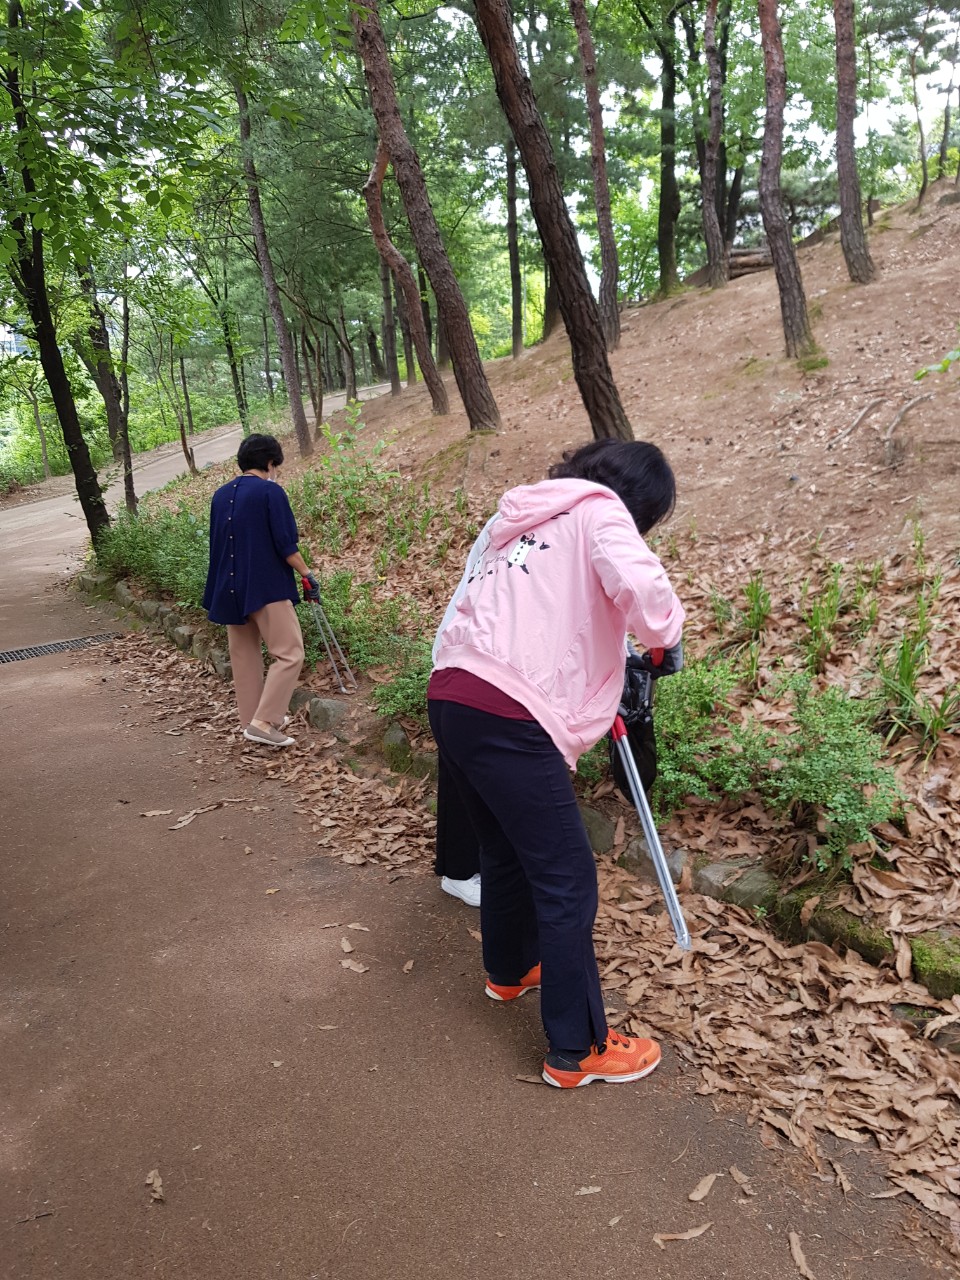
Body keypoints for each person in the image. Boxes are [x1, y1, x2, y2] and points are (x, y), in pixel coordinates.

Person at [429, 439, 685, 1088]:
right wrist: (665, 641)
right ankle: (579, 1048)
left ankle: (510, 969)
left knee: (503, 847)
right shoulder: (600, 511)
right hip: (509, 711)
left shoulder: (523, 517)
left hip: (452, 692)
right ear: (643, 502)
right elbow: (643, 588)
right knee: (567, 876)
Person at [202, 433, 320, 748]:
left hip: (228, 589)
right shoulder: (270, 492)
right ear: (270, 462)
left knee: (245, 657)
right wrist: (307, 574)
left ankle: (251, 722)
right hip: (266, 587)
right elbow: (286, 545)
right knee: (290, 653)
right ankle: (264, 722)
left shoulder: (220, 495)